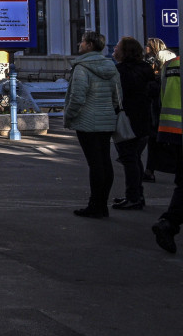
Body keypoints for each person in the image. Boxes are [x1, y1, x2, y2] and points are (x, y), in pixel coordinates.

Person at [63, 31, 123, 218]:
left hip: (87, 121)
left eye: (82, 41)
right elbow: (117, 96)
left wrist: (69, 115)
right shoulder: (110, 66)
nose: (79, 44)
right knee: (105, 161)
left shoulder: (82, 67)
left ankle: (95, 205)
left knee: (95, 164)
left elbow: (78, 97)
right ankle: (102, 203)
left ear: (89, 45)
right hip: (106, 120)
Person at [112, 37, 157, 210]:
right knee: (134, 158)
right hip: (144, 120)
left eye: (117, 47)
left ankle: (134, 197)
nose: (114, 49)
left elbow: (118, 96)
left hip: (127, 121)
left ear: (125, 52)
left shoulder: (120, 71)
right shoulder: (146, 69)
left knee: (129, 159)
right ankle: (136, 195)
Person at [151, 54, 183, 253]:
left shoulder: (170, 65)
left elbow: (161, 97)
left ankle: (169, 222)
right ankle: (170, 222)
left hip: (171, 130)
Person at [143, 38, 176, 183]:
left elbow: (156, 75)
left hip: (157, 105)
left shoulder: (158, 58)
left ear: (153, 47)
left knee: (154, 139)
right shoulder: (172, 55)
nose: (146, 48)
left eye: (147, 46)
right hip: (169, 102)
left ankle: (150, 171)